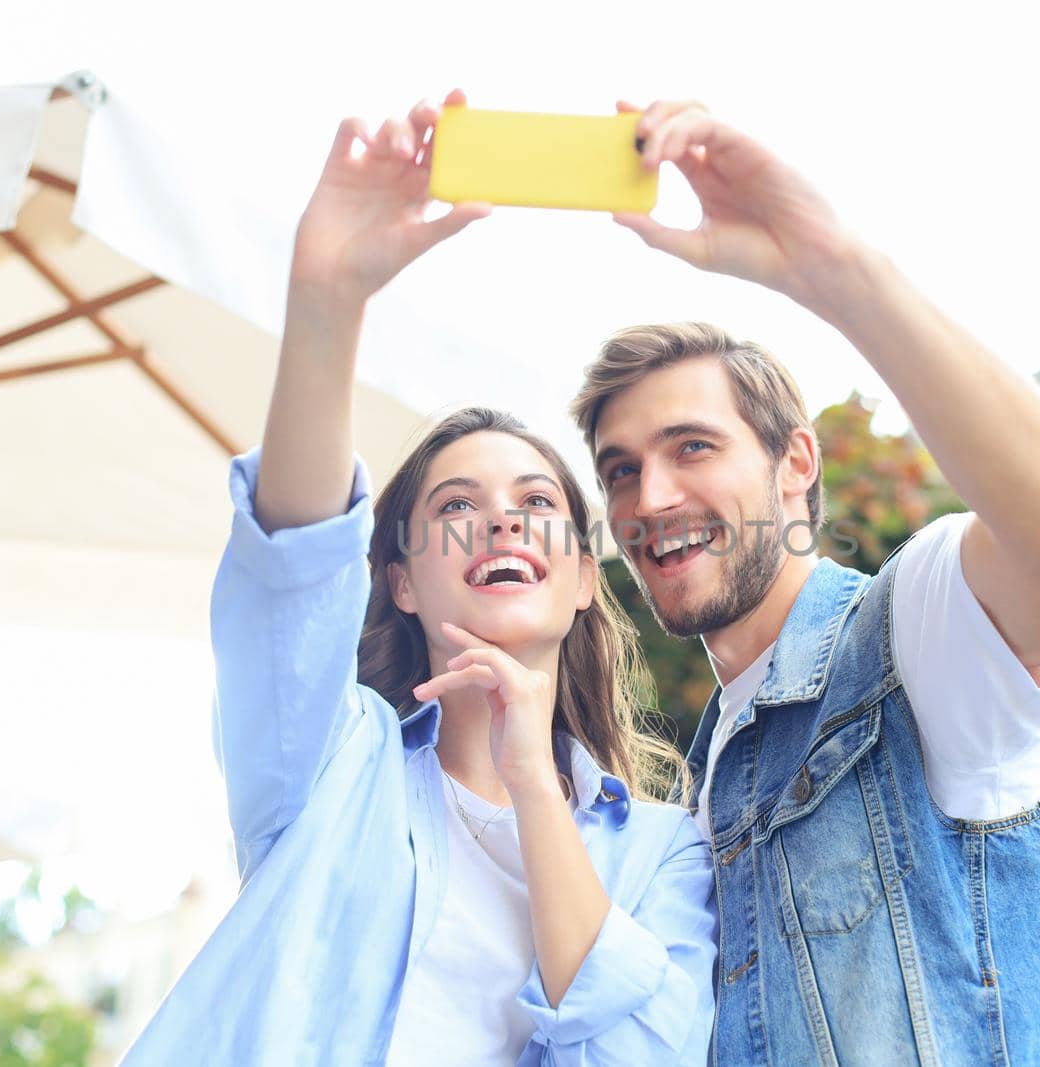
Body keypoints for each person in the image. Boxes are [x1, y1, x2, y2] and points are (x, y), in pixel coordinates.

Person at [120, 93, 716, 1066]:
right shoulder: (330, 765)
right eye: (454, 506)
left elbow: (643, 1054)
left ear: (577, 578)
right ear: (398, 581)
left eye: (536, 501)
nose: (499, 518)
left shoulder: (662, 849)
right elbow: (290, 561)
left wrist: (531, 774)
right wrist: (328, 297)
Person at [569, 101, 1040, 1064]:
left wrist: (828, 264)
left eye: (691, 446)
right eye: (620, 468)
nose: (650, 496)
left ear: (795, 463)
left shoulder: (915, 631)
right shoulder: (700, 794)